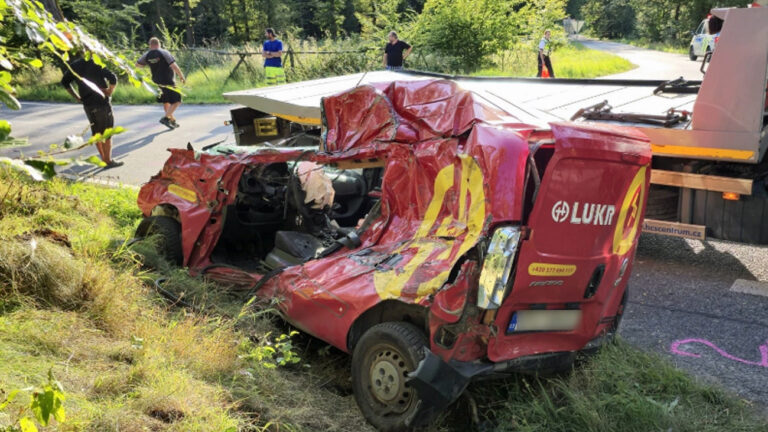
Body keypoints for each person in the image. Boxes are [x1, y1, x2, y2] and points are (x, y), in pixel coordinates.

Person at [61, 56, 123, 168]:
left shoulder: (75, 65)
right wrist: (109, 91)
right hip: (101, 103)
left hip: (87, 104)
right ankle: (107, 161)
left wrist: (77, 97)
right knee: (107, 132)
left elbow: (65, 82)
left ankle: (103, 159)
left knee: (96, 132)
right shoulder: (97, 62)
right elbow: (113, 78)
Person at [136, 37, 186, 129]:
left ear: (150, 45)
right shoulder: (163, 52)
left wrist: (149, 66)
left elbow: (138, 65)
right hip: (168, 81)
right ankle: (166, 118)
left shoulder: (147, 55)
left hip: (156, 82)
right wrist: (181, 76)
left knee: (166, 101)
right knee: (177, 100)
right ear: (159, 44)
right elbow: (174, 65)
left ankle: (172, 120)